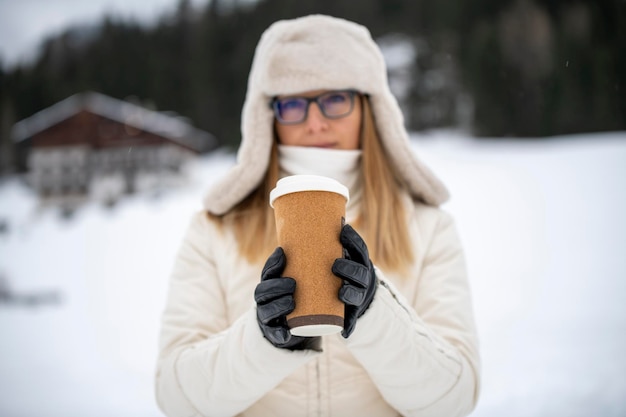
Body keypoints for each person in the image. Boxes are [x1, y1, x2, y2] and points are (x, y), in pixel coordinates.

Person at [155, 14, 480, 417]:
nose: (315, 122)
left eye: (334, 99)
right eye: (292, 103)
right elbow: (175, 396)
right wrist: (262, 342)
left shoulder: (428, 226)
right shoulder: (216, 229)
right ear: (267, 118)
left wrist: (376, 314)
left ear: (370, 107)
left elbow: (455, 398)